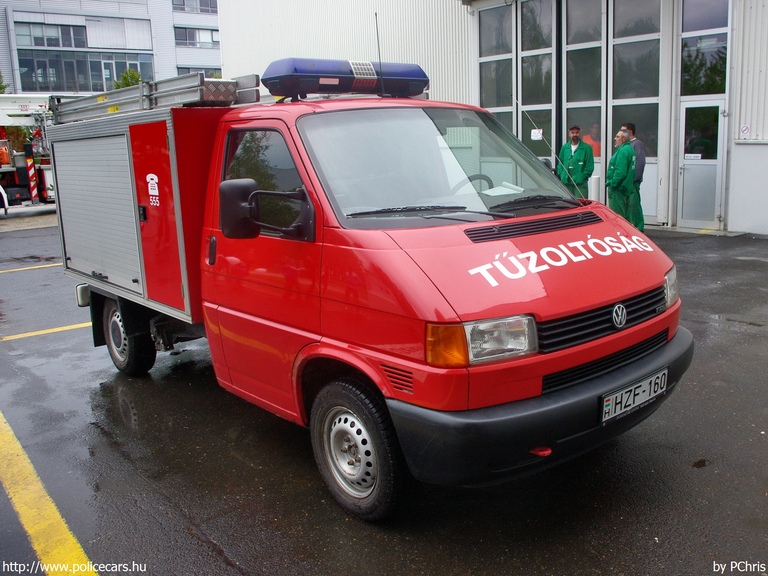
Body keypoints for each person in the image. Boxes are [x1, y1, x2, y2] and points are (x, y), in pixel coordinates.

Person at [606, 129, 638, 226]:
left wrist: (612, 184)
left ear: (624, 139)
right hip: (627, 188)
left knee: (617, 218)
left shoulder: (623, 151)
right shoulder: (630, 149)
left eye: (617, 137)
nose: (615, 139)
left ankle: (618, 237)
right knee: (626, 218)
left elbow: (620, 172)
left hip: (618, 190)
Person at [556, 124, 594, 199]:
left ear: (580, 133)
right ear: (569, 134)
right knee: (567, 204)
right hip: (566, 183)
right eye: (573, 133)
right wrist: (562, 175)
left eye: (577, 132)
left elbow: (590, 166)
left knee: (580, 204)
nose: (575, 134)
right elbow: (560, 164)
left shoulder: (587, 148)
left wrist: (582, 176)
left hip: (580, 184)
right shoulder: (565, 147)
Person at [621, 122, 645, 231]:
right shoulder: (626, 145)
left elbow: (639, 163)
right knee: (628, 205)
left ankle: (638, 228)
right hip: (627, 182)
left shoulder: (637, 144)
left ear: (630, 132)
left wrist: (635, 179)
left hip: (633, 182)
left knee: (634, 205)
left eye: (623, 131)